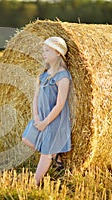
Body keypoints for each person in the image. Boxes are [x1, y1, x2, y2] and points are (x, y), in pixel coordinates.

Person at [22, 36, 72, 186]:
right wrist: (37, 117)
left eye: (47, 50)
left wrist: (45, 122)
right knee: (26, 138)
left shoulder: (63, 76)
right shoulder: (44, 73)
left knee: (45, 153)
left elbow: (60, 104)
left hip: (54, 120)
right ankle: (56, 156)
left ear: (58, 53)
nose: (43, 53)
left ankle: (35, 182)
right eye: (43, 50)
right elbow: (36, 97)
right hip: (41, 117)